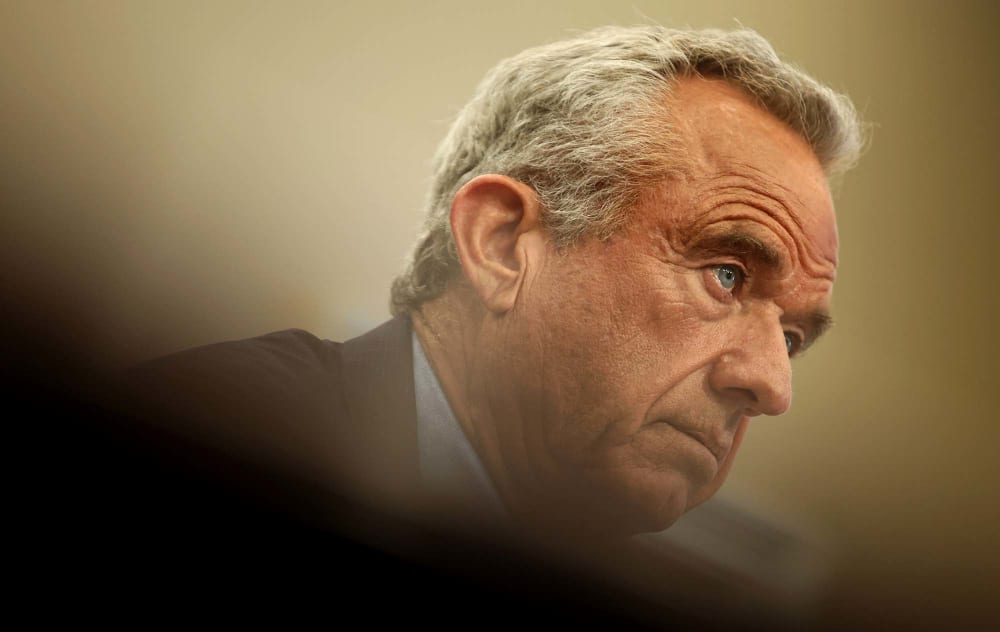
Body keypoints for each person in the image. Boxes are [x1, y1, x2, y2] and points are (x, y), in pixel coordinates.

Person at [128, 25, 865, 544]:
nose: (772, 385)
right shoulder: (215, 429)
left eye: (793, 337)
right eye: (727, 275)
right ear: (502, 244)